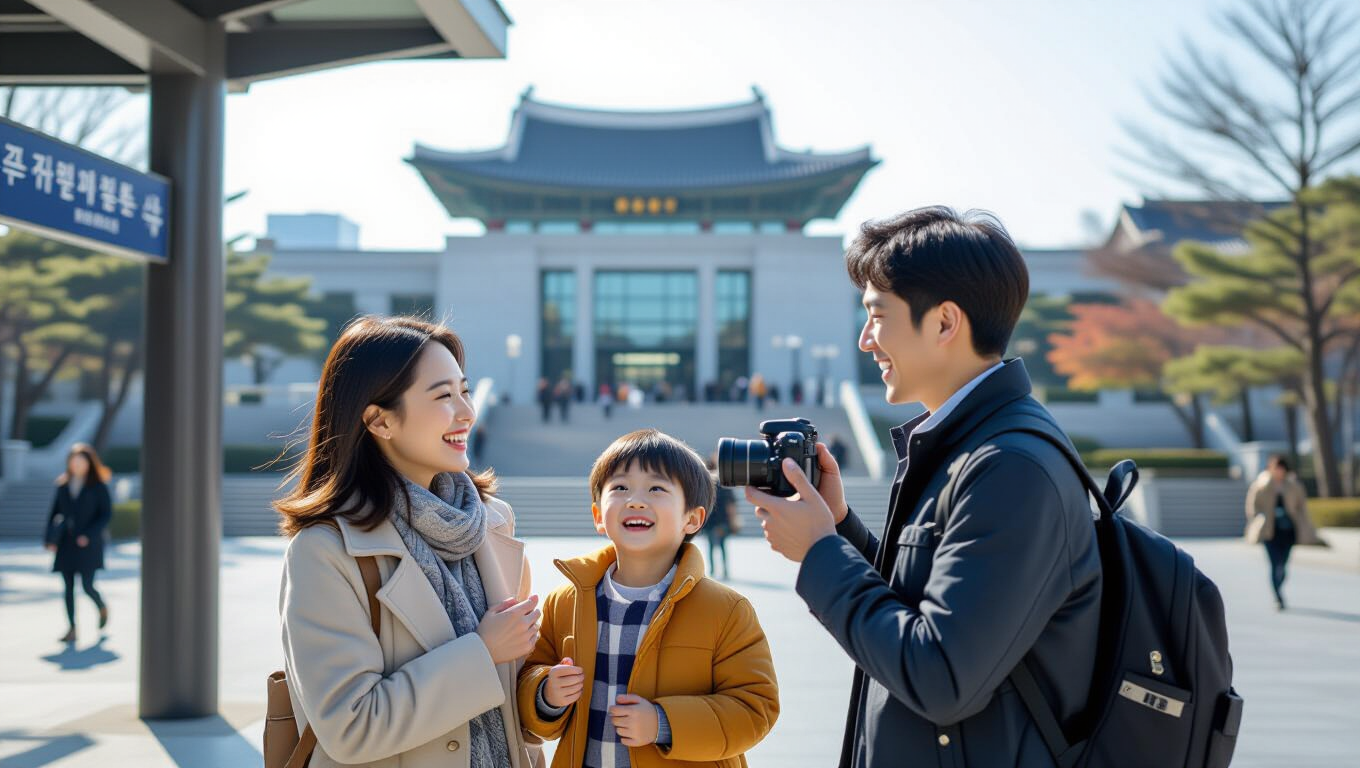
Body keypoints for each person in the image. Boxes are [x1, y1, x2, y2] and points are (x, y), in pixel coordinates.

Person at [747, 207, 1102, 768]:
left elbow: (941, 678)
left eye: (876, 316)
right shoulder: (972, 444)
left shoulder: (1010, 467)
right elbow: (925, 607)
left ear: (944, 323)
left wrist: (818, 553)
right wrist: (840, 529)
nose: (865, 341)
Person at [276, 316, 542, 768]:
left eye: (465, 390)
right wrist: (482, 652)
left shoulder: (492, 523)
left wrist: (546, 699)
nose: (467, 412)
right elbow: (351, 727)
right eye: (443, 396)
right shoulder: (326, 551)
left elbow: (513, 695)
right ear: (380, 421)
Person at [517, 429, 779, 768]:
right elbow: (526, 682)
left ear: (692, 518)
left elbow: (755, 707)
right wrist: (545, 695)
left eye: (656, 488)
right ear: (598, 515)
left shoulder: (726, 611)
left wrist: (663, 723)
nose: (635, 500)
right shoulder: (565, 602)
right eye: (620, 488)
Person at [44, 443, 113, 644]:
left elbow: (106, 514)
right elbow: (54, 513)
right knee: (67, 587)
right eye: (73, 462)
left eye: (80, 461)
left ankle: (101, 606)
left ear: (89, 463)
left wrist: (89, 535)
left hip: (88, 544)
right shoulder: (63, 485)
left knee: (88, 585)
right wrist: (49, 539)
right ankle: (72, 628)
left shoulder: (98, 486)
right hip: (66, 542)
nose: (76, 465)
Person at [1245, 454, 1323, 610]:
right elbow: (1252, 505)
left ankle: (1279, 586)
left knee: (1283, 564)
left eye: (1281, 469)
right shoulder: (1262, 484)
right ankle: (1278, 597)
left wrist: (1304, 524)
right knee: (1275, 564)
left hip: (1288, 531)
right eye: (1275, 468)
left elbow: (1301, 506)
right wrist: (1257, 520)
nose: (1278, 472)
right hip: (1269, 531)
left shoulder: (1293, 485)